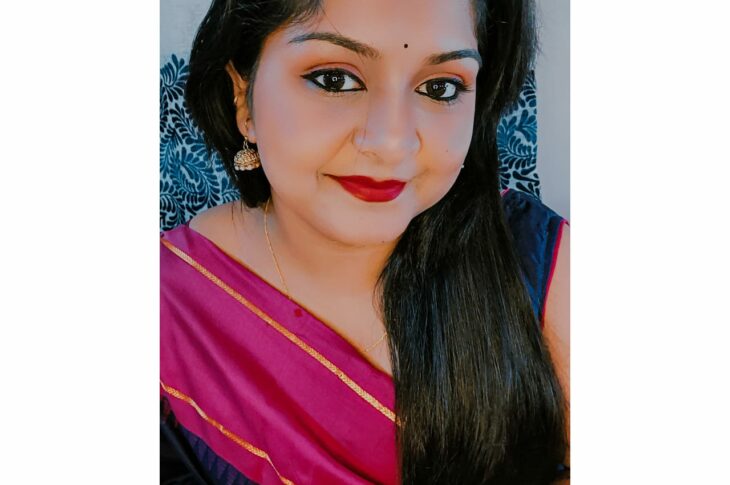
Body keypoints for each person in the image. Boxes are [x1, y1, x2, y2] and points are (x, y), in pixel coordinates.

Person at [160, 0, 570, 483]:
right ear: (242, 97)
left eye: (440, 88)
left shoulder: (531, 256)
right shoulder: (168, 307)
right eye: (335, 80)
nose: (392, 141)